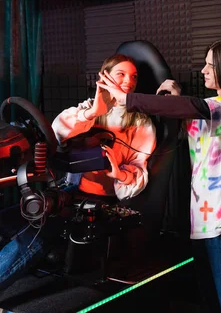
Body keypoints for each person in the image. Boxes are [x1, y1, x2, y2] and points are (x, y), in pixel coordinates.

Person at [97, 38, 221, 313]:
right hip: (203, 220)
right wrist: (172, 95)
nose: (204, 71)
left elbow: (194, 108)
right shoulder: (208, 106)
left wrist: (126, 99)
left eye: (210, 65)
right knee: (211, 302)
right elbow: (184, 112)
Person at [0, 53, 156, 291]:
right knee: (8, 219)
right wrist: (93, 112)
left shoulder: (142, 124)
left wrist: (119, 174)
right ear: (104, 77)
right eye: (120, 74)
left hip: (99, 202)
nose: (128, 81)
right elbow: (57, 132)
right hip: (67, 192)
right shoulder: (88, 109)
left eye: (133, 77)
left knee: (35, 234)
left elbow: (139, 171)